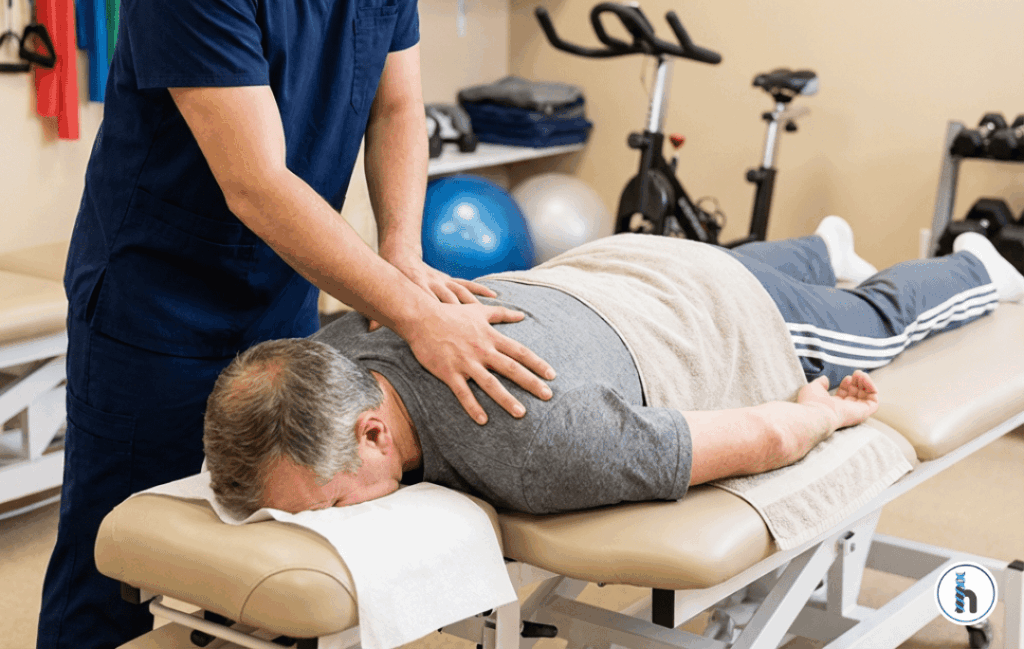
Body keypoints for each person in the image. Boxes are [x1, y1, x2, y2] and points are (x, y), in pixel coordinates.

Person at [39, 0, 555, 649]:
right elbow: (256, 181)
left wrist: (401, 251)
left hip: (282, 293)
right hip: (158, 306)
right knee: (115, 565)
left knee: (277, 551)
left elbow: (397, 103)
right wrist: (412, 316)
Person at [203, 219, 1023, 518]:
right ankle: (823, 247)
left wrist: (825, 415)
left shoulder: (530, 439)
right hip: (612, 265)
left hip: (720, 310)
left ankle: (980, 267)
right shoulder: (338, 347)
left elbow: (765, 433)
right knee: (742, 265)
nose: (314, 525)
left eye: (323, 507)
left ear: (372, 431)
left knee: (874, 325)